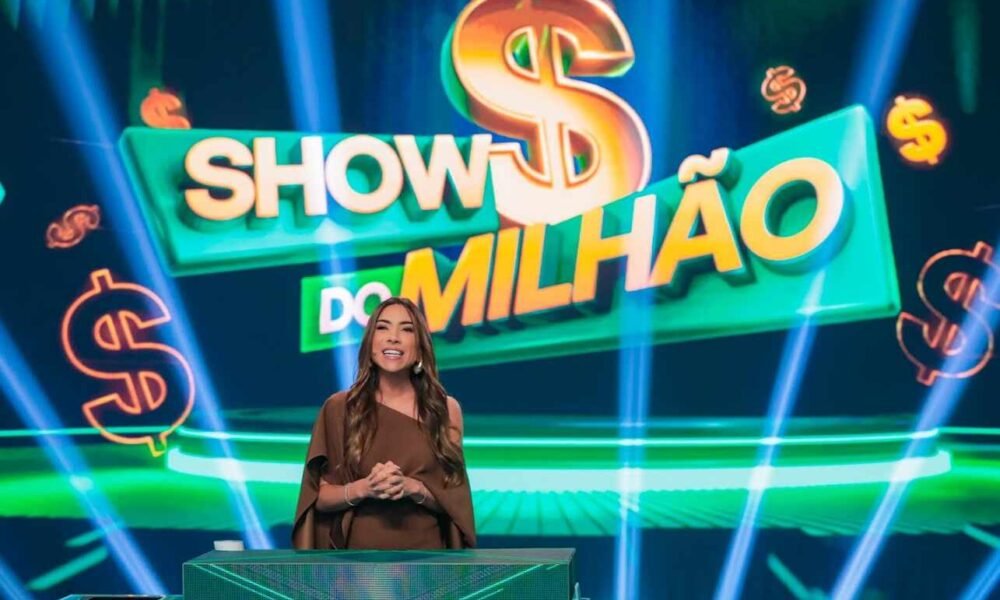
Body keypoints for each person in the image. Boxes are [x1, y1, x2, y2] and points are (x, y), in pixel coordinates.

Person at [292, 297, 476, 550]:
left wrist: (413, 488)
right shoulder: (339, 408)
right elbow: (318, 499)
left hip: (427, 559)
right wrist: (365, 488)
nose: (393, 338)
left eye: (407, 329)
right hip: (357, 560)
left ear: (420, 347)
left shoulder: (445, 409)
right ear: (370, 342)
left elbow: (457, 503)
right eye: (383, 327)